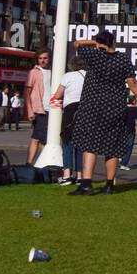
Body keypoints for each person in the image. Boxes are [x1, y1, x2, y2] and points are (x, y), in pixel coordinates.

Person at [67, 31, 137, 196]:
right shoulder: (123, 59)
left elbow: (77, 43)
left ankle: (86, 185)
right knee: (112, 146)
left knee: (89, 144)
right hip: (115, 107)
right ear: (114, 43)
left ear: (98, 42)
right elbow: (132, 83)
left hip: (92, 106)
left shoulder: (93, 55)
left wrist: (94, 42)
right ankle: (109, 186)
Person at [50, 57, 87, 186]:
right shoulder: (88, 75)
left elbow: (58, 94)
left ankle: (67, 175)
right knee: (81, 144)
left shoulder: (68, 76)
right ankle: (80, 176)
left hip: (71, 110)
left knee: (67, 142)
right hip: (85, 110)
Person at [25, 49, 52, 165]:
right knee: (37, 137)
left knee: (44, 138)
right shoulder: (34, 72)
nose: (42, 61)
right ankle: (30, 163)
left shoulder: (54, 71)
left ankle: (42, 163)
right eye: (40, 58)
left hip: (52, 109)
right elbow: (27, 92)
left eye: (45, 58)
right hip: (40, 109)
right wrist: (30, 110)